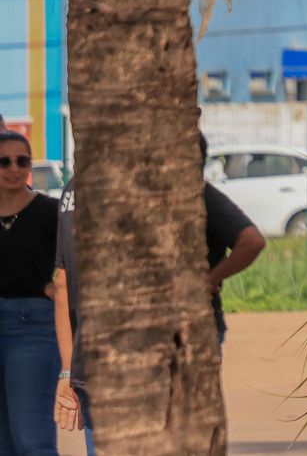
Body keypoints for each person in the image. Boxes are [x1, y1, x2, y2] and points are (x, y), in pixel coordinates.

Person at [53, 133, 265, 453]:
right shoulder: (163, 194)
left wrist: (68, 368)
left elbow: (61, 284)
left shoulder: (76, 190)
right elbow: (253, 240)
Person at [0, 128, 61, 456]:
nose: (13, 168)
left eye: (21, 160)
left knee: (32, 441)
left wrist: (61, 285)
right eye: (4, 161)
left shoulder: (51, 212)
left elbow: (82, 257)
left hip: (32, 327)